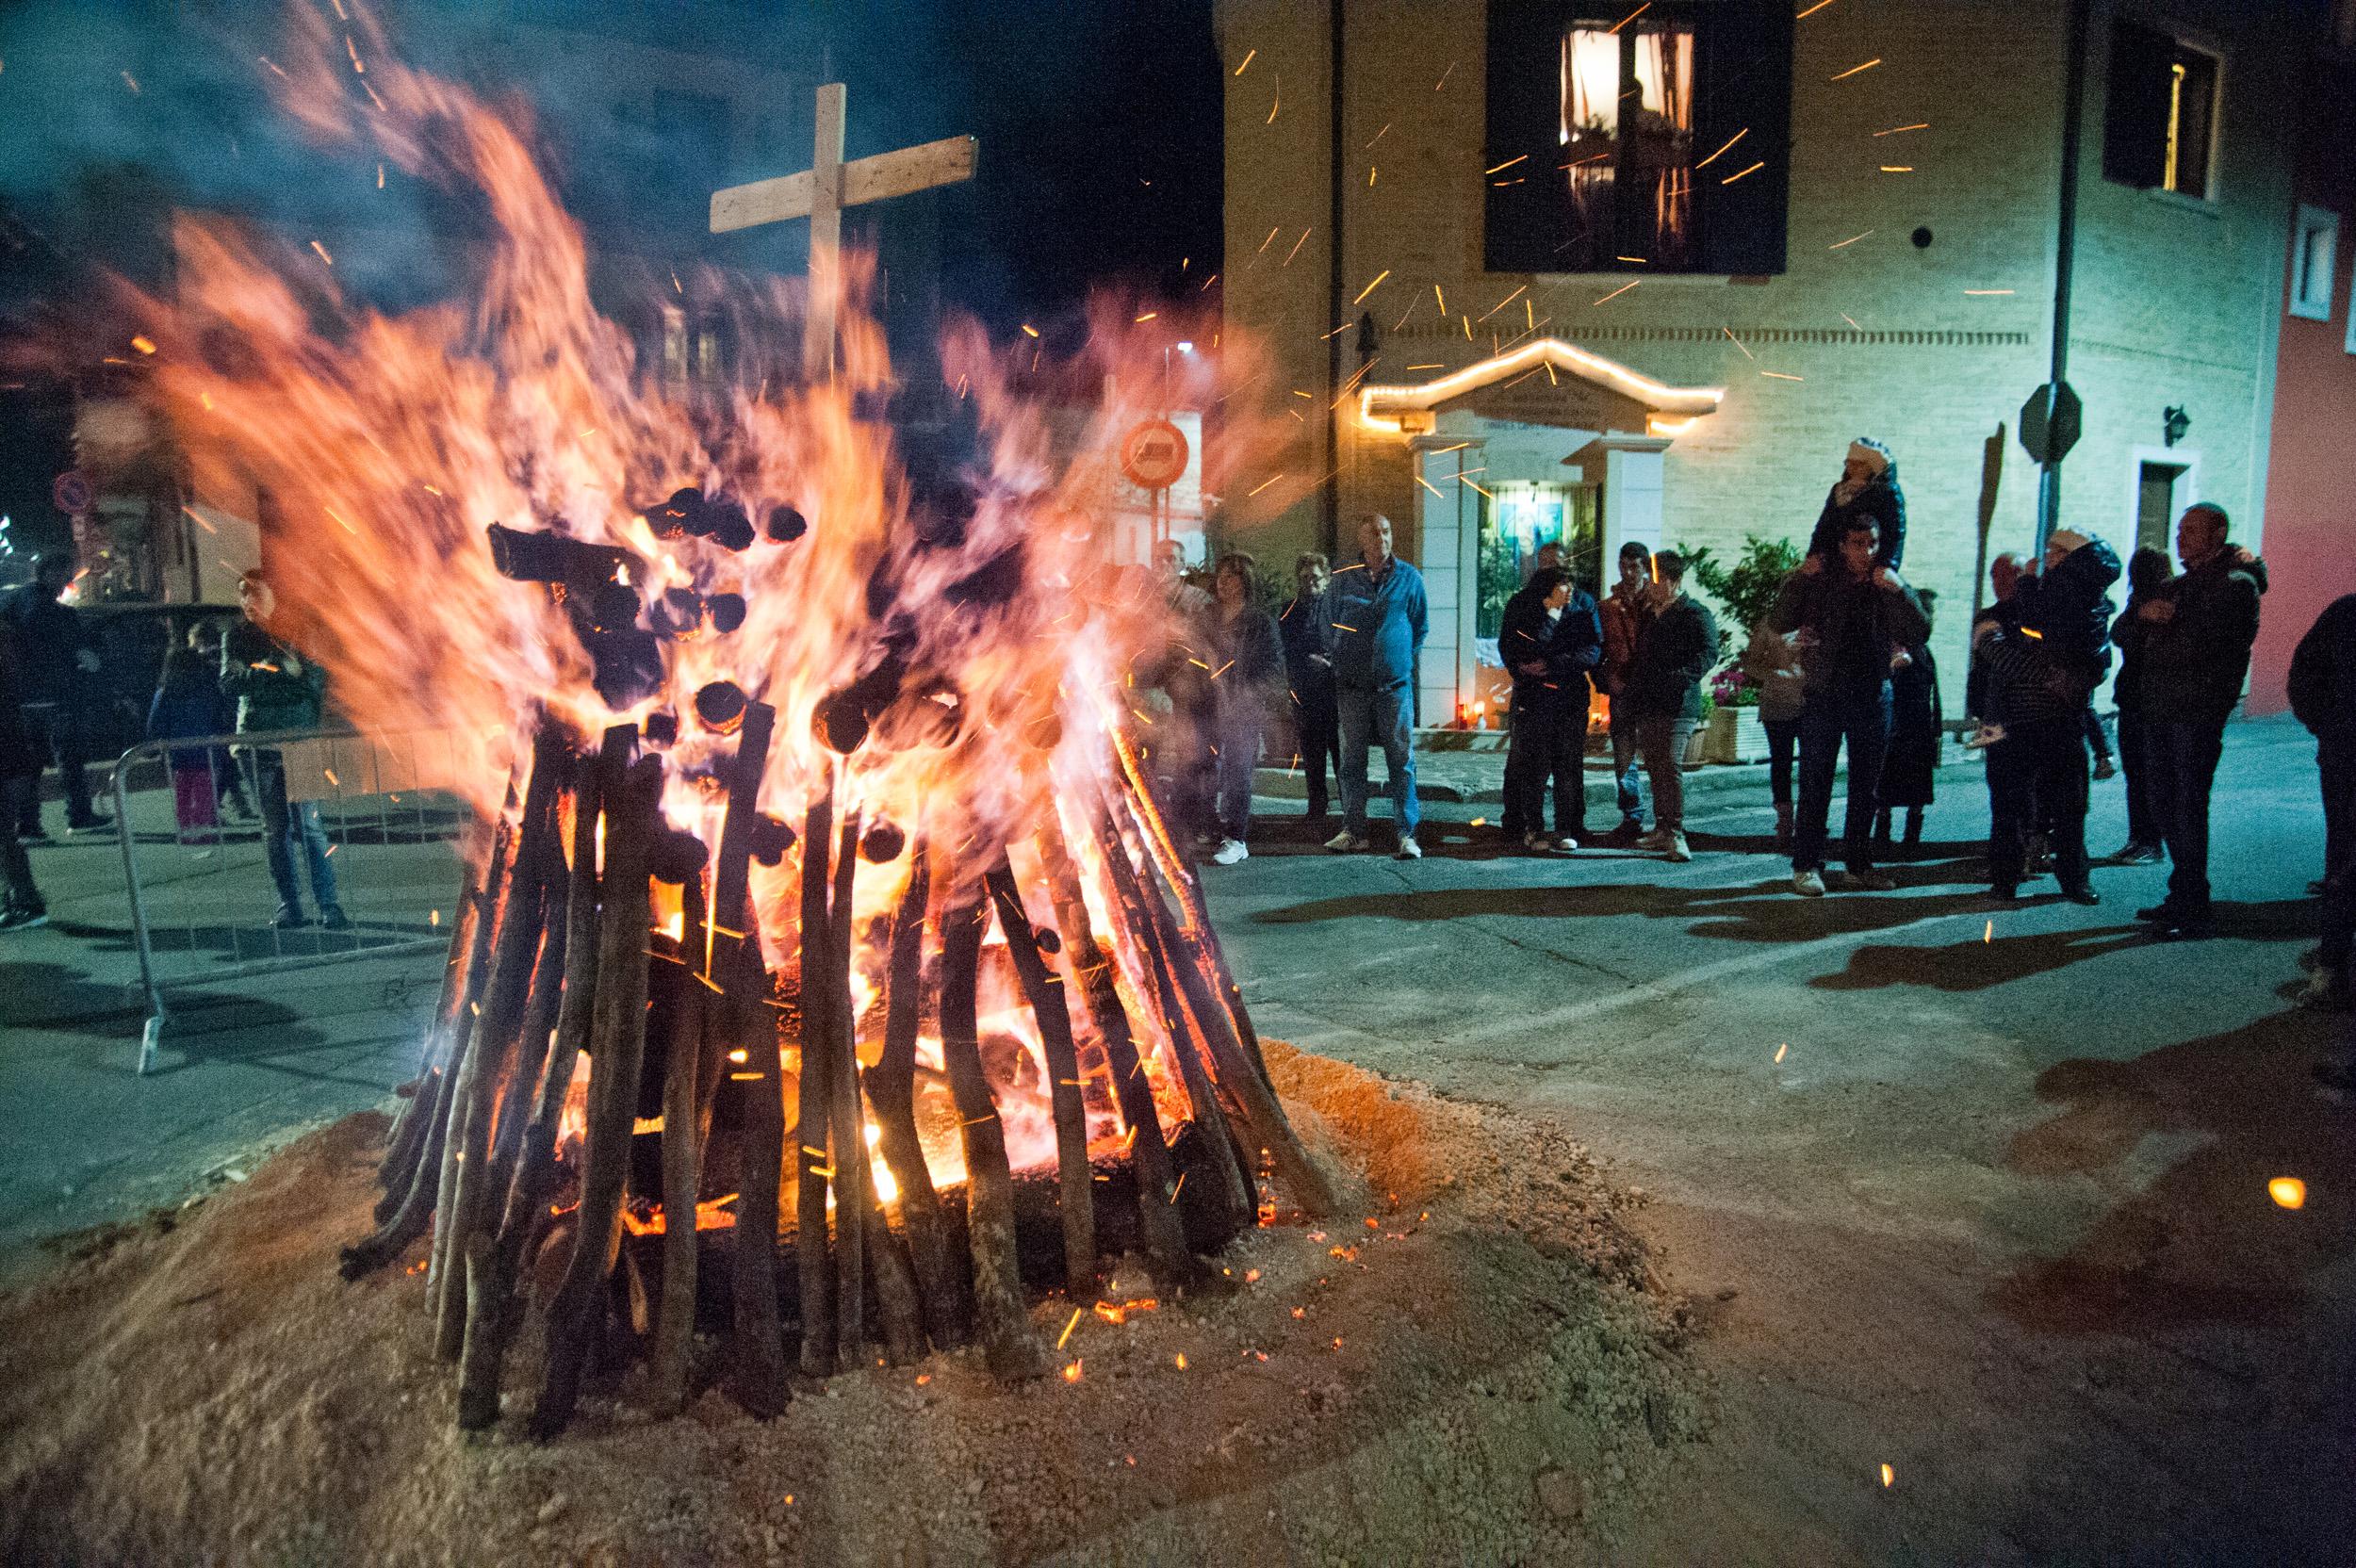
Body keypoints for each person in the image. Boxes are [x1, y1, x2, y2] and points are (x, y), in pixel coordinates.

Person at [1774, 515, 1929, 896]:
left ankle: (1858, 864)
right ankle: (1806, 865)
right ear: (1842, 546)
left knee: (1867, 788)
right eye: (1858, 543)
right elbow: (1779, 620)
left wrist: (1900, 590)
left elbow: (1919, 632)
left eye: (1873, 543)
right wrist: (1799, 576)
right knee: (1816, 782)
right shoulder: (1824, 581)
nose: (1867, 551)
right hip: (1825, 694)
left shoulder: (1884, 584)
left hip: (1873, 694)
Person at [2132, 504, 2266, 939]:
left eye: (2191, 530)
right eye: (2178, 530)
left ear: (2218, 533)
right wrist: (2142, 616)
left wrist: (2166, 622)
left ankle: (2192, 902)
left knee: (2187, 805)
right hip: (2160, 708)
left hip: (2197, 710)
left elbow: (2211, 642)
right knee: (2162, 802)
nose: (2180, 537)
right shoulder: (2178, 584)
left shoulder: (2236, 585)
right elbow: (2124, 630)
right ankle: (2185, 891)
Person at [222, 570, 348, 929]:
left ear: (275, 596)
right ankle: (289, 905)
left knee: (309, 828)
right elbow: (230, 684)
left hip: (300, 743)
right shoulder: (237, 636)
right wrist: (280, 673)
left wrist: (261, 677)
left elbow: (313, 681)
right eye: (243, 594)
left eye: (256, 593)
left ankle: (328, 904)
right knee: (276, 830)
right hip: (257, 744)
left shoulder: (299, 631)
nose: (249, 601)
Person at [1327, 512, 1428, 859]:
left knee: (1401, 761)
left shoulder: (1409, 578)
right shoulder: (1344, 580)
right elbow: (1328, 623)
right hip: (1353, 687)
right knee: (1352, 761)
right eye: (1373, 534)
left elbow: (1419, 626)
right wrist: (1344, 658)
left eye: (1385, 532)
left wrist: (1395, 658)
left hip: (1393, 687)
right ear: (1362, 540)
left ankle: (1406, 832)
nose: (1381, 539)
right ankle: (1354, 830)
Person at [2, 553, 110, 838]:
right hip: (49, 697)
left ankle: (30, 824)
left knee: (34, 764)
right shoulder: (43, 607)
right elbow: (49, 641)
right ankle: (75, 815)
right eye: (65, 574)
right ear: (49, 572)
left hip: (25, 698)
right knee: (67, 757)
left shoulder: (18, 601)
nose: (68, 582)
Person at [1621, 550, 1717, 863]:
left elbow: (1708, 653)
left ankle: (1676, 832)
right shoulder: (1650, 614)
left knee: (1670, 763)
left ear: (1673, 581)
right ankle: (1661, 828)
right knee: (1655, 766)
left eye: (1655, 578)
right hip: (1650, 703)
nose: (1648, 583)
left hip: (1679, 704)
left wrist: (1681, 678)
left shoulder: (1694, 613)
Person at [1498, 564, 1602, 852]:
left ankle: (1566, 827)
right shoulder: (1526, 605)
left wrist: (1555, 664)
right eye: (1562, 586)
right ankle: (1534, 827)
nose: (1568, 591)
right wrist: (1552, 614)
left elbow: (1592, 650)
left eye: (1570, 584)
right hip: (1535, 697)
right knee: (1534, 764)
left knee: (1567, 764)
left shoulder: (1584, 605)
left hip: (1570, 696)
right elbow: (1518, 647)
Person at [2288, 593, 2356, 1009]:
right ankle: (2331, 968)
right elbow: (2305, 673)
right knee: (2344, 861)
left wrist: (2329, 728)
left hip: (2344, 752)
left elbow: (2304, 673)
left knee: (2345, 860)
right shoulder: (2345, 614)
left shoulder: (2345, 612)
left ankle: (2332, 969)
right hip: (2344, 752)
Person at [1204, 553, 1284, 866]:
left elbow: (1273, 666)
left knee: (1238, 772)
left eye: (1231, 576)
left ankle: (1236, 837)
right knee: (1203, 768)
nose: (1223, 582)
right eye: (1221, 575)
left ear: (1244, 582)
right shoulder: (1207, 616)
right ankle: (1207, 827)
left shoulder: (1259, 622)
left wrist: (1250, 695)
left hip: (1243, 709)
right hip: (1208, 705)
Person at [2103, 547, 2173, 864]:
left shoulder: (2164, 603)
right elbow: (2119, 633)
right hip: (2136, 697)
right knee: (2139, 773)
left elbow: (2122, 636)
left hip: (2149, 699)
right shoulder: (2140, 605)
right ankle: (2141, 839)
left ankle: (2149, 842)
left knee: (2146, 773)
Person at [1152, 539, 1217, 842]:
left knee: (1192, 756)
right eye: (1160, 559)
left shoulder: (1197, 600)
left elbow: (1203, 644)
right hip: (1152, 689)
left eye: (1172, 559)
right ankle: (1162, 818)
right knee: (1153, 757)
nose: (1165, 565)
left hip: (1189, 690)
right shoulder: (1146, 598)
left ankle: (1198, 819)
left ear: (1181, 564)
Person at [1874, 589, 1942, 858]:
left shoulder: (1923, 650)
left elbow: (1932, 690)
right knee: (1887, 784)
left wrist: (1936, 725)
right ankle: (1882, 837)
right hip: (1900, 727)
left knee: (1917, 788)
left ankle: (1910, 839)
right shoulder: (1900, 647)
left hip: (1919, 727)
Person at [1597, 541, 1656, 837]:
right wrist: (1607, 679)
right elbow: (1600, 648)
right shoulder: (1608, 606)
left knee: (1658, 756)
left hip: (1650, 690)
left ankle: (1666, 821)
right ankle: (1632, 817)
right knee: (1624, 756)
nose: (1628, 572)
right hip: (1620, 689)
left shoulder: (1655, 603)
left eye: (1634, 566)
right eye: (1623, 565)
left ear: (1645, 568)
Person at [1278, 552, 1340, 821]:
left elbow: (1347, 641)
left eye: (1315, 578)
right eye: (1304, 578)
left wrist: (1331, 662)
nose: (1310, 583)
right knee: (1312, 752)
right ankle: (1317, 805)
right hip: (1306, 690)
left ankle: (1349, 806)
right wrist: (1305, 660)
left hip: (1336, 689)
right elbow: (1285, 647)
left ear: (1326, 579)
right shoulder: (1290, 610)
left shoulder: (1337, 608)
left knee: (1340, 751)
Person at [148, 645, 227, 845]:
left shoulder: (165, 691)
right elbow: (220, 714)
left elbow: (155, 720)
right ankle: (203, 829)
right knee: (204, 792)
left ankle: (185, 830)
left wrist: (156, 740)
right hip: (206, 749)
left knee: (182, 792)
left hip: (177, 751)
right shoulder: (207, 688)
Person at [1742, 612, 1807, 851]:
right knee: (1781, 762)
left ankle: (1810, 821)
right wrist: (1775, 675)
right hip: (1778, 702)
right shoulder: (1770, 622)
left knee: (1815, 764)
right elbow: (1751, 662)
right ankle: (1785, 820)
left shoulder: (1821, 617)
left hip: (1813, 702)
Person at [0, 631, 49, 930]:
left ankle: (25, 901)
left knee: (5, 839)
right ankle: (20, 899)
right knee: (6, 838)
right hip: (13, 763)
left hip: (8, 764)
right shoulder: (9, 671)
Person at [1806, 438, 1906, 568]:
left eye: (1858, 464)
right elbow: (1824, 527)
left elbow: (1894, 534)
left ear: (1871, 466)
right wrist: (1814, 554)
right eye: (1849, 463)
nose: (1851, 468)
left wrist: (1887, 565)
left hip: (1869, 561)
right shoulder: (1839, 490)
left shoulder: (1887, 492)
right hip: (1836, 559)